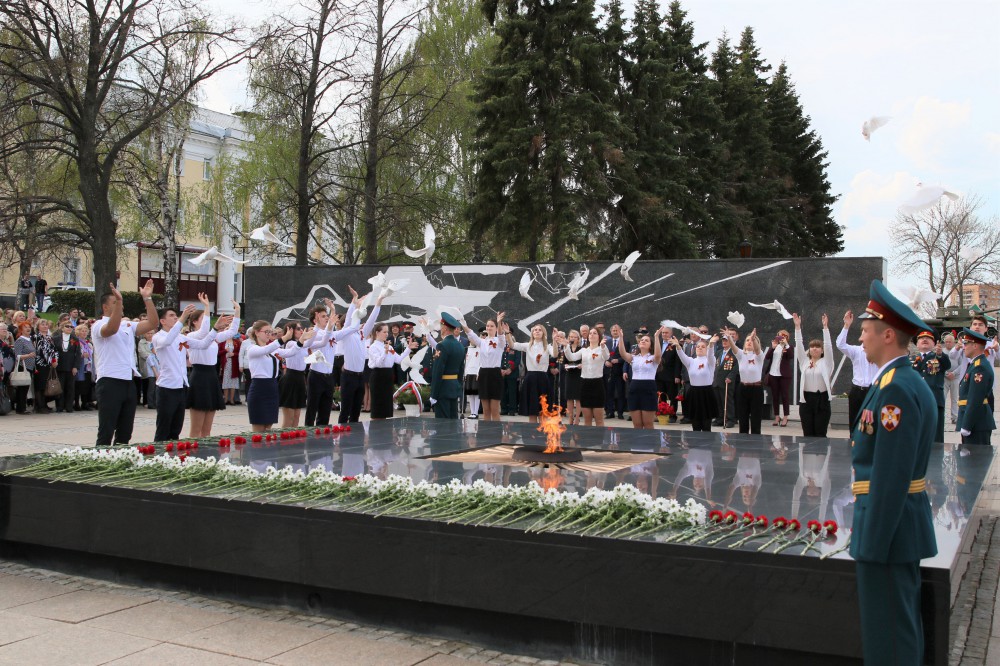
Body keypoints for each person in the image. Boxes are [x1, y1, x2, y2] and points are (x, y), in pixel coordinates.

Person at [851, 279, 937, 665]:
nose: (861, 339)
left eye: (866, 331)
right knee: (897, 628)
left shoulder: (897, 389)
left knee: (889, 635)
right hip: (897, 527)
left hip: (888, 531)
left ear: (888, 335)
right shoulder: (896, 381)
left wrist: (873, 543)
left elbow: (891, 474)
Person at [91, 280, 159, 447]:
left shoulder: (127, 325)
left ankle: (119, 460)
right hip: (109, 381)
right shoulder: (98, 325)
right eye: (115, 302)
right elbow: (111, 330)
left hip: (128, 381)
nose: (120, 305)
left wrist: (147, 299)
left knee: (125, 431)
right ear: (105, 307)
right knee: (107, 429)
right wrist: (120, 299)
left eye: (120, 302)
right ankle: (101, 461)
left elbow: (153, 323)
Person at [152, 304, 218, 442]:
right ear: (162, 321)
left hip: (181, 386)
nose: (175, 317)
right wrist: (182, 318)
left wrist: (215, 329)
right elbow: (168, 341)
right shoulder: (158, 337)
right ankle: (158, 457)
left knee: (176, 428)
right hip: (166, 387)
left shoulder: (181, 338)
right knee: (164, 428)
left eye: (176, 315)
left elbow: (203, 343)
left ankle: (173, 456)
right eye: (171, 316)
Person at [184, 296, 239, 438]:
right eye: (203, 319)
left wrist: (237, 311)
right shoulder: (192, 336)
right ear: (195, 322)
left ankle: (206, 455)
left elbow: (232, 331)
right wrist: (207, 307)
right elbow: (203, 333)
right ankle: (193, 456)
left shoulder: (213, 336)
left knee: (207, 430)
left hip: (211, 376)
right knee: (196, 430)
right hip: (199, 376)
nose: (206, 323)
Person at [338, 288, 384, 424]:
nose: (360, 318)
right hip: (348, 376)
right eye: (357, 315)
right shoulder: (346, 333)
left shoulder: (362, 334)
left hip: (360, 376)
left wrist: (379, 302)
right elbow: (347, 322)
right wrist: (354, 303)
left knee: (356, 411)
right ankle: (341, 436)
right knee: (345, 409)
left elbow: (372, 319)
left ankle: (354, 439)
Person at [245, 321, 300, 431]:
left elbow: (291, 352)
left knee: (269, 426)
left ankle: (267, 448)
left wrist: (302, 340)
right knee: (259, 426)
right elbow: (265, 350)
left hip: (272, 387)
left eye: (270, 332)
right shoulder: (252, 349)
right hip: (259, 387)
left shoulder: (272, 348)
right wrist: (283, 338)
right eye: (266, 331)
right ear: (256, 333)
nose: (268, 334)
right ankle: (257, 447)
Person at [792, 313, 835, 437]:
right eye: (812, 347)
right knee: (808, 433)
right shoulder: (804, 362)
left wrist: (825, 328)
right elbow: (799, 345)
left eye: (817, 347)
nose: (814, 349)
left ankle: (822, 456)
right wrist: (797, 327)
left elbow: (828, 346)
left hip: (822, 400)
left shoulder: (827, 363)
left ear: (822, 350)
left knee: (820, 433)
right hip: (806, 400)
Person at [462, 313, 507, 422]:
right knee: (486, 410)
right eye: (487, 326)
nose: (489, 328)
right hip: (483, 374)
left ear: (496, 328)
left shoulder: (500, 342)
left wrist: (499, 322)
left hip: (495, 374)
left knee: (494, 410)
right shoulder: (482, 342)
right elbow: (471, 334)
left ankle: (496, 435)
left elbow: (501, 335)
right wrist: (462, 321)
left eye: (492, 326)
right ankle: (485, 436)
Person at [506, 322, 555, 423]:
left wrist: (554, 340)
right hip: (531, 378)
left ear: (543, 333)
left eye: (539, 330)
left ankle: (543, 434)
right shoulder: (527, 345)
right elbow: (512, 345)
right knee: (532, 410)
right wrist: (507, 333)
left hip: (543, 379)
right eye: (535, 330)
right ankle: (531, 434)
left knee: (543, 410)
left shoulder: (547, 346)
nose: (537, 331)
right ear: (532, 333)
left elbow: (555, 353)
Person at [837, 311, 878, 431]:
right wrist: (846, 325)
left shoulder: (879, 352)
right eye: (863, 332)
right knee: (854, 422)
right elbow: (840, 344)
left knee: (871, 423)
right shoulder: (856, 351)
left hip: (872, 390)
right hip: (857, 391)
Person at [617, 327, 664, 429]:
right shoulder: (634, 357)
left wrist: (656, 337)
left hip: (648, 389)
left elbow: (658, 355)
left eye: (646, 340)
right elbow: (622, 353)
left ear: (650, 345)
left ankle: (650, 444)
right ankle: (636, 445)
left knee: (648, 424)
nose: (643, 341)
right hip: (634, 389)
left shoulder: (653, 358)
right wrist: (620, 337)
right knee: (637, 424)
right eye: (642, 340)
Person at [670, 333, 717, 432]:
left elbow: (711, 355)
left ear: (707, 349)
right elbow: (682, 356)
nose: (700, 348)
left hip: (706, 393)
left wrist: (711, 345)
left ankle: (707, 444)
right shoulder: (691, 361)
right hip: (694, 393)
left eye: (703, 347)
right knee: (695, 424)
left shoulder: (709, 362)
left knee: (706, 425)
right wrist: (678, 346)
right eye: (698, 346)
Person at [956, 328, 995, 446]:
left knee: (976, 462)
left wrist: (967, 425)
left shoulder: (979, 367)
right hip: (974, 422)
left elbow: (975, 398)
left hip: (976, 424)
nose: (963, 347)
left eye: (966, 343)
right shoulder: (975, 364)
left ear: (975, 346)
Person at [562, 328, 609, 426]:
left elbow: (606, 357)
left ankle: (599, 441)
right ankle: (588, 441)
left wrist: (603, 346)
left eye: (594, 333)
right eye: (590, 333)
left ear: (599, 336)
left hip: (597, 384)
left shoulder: (602, 349)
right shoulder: (584, 350)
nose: (592, 335)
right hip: (584, 384)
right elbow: (571, 357)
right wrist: (566, 346)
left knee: (599, 420)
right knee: (587, 420)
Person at [367, 323, 414, 419]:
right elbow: (378, 363)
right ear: (377, 333)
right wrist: (385, 352)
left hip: (388, 375)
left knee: (386, 405)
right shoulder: (373, 347)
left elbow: (399, 359)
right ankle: (376, 428)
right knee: (378, 404)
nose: (386, 334)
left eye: (387, 332)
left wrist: (408, 349)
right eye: (384, 332)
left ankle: (384, 427)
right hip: (378, 376)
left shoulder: (390, 347)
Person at [724, 328, 766, 434]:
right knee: (743, 418)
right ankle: (743, 442)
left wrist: (754, 338)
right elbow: (734, 348)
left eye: (752, 340)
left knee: (756, 419)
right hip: (743, 388)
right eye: (747, 340)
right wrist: (729, 337)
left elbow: (757, 350)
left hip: (756, 389)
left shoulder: (759, 355)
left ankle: (756, 443)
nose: (749, 342)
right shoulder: (741, 354)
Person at [911, 331, 951, 443]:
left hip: (934, 401)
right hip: (916, 402)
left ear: (934, 343)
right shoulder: (912, 359)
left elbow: (947, 364)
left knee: (935, 438)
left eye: (928, 338)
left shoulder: (938, 357)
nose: (924, 340)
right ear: (916, 344)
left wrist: (940, 354)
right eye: (921, 338)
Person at [431, 312, 465, 418]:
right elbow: (461, 370)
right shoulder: (460, 346)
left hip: (442, 390)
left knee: (442, 425)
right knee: (453, 423)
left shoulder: (442, 346)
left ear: (445, 328)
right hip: (454, 388)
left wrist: (434, 394)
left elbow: (438, 371)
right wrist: (458, 386)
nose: (440, 329)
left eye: (441, 327)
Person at [764, 328, 793, 427]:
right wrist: (772, 347)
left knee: (785, 396)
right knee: (775, 396)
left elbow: (791, 356)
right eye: (780, 336)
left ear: (787, 338)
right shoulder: (775, 346)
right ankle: (777, 416)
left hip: (784, 375)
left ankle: (785, 417)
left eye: (784, 336)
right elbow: (767, 357)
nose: (781, 338)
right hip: (773, 374)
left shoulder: (789, 347)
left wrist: (786, 344)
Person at [711, 330, 739, 428]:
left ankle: (730, 419)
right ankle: (720, 418)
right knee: (718, 401)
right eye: (723, 340)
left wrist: (730, 377)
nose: (724, 342)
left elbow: (736, 366)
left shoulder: (734, 352)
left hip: (727, 381)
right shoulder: (719, 352)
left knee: (727, 401)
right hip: (717, 381)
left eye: (726, 340)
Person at [655, 327, 682, 422]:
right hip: (658, 375)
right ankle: (662, 414)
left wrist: (677, 375)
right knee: (660, 396)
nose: (664, 334)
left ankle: (672, 415)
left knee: (672, 396)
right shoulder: (658, 344)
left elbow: (678, 362)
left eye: (666, 333)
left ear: (671, 334)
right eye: (662, 333)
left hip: (671, 376)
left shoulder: (675, 344)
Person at [32, 319, 58, 413]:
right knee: (40, 385)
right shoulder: (36, 337)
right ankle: (40, 406)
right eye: (42, 324)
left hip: (49, 365)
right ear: (38, 326)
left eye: (46, 324)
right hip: (40, 364)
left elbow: (54, 350)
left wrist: (55, 360)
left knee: (46, 386)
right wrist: (51, 361)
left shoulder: (49, 337)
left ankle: (44, 404)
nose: (45, 326)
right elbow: (41, 351)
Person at [54, 319, 80, 412]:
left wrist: (75, 366)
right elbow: (53, 351)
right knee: (60, 387)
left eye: (71, 327)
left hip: (70, 367)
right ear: (62, 327)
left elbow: (78, 354)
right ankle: (59, 406)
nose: (69, 328)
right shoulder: (56, 338)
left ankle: (69, 406)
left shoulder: (75, 339)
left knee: (70, 388)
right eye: (67, 326)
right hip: (59, 366)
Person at [12, 322, 35, 414]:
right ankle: (20, 408)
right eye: (25, 327)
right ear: (21, 330)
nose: (28, 329)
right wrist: (28, 355)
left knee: (26, 388)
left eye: (29, 327)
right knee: (22, 388)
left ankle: (23, 407)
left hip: (30, 366)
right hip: (23, 366)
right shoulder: (20, 340)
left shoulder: (30, 339)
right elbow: (17, 356)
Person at [560, 329, 582, 424]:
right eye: (570, 337)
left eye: (574, 337)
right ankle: (570, 418)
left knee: (578, 397)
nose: (572, 338)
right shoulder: (565, 348)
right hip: (569, 375)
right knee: (569, 397)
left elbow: (584, 361)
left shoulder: (582, 349)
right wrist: (565, 366)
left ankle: (577, 418)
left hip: (578, 374)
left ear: (578, 339)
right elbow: (563, 361)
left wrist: (581, 365)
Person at [943, 333, 966, 425]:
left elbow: (962, 364)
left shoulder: (958, 351)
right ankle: (942, 416)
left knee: (954, 398)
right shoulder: (943, 352)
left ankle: (955, 417)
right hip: (944, 378)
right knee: (943, 398)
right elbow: (938, 365)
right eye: (946, 342)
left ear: (953, 342)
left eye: (950, 342)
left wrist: (954, 373)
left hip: (955, 378)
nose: (948, 343)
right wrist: (946, 373)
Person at [604, 324, 626, 419]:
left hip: (619, 371)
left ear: (620, 331)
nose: (615, 332)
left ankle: (620, 412)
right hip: (608, 372)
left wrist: (618, 360)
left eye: (617, 330)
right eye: (613, 330)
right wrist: (605, 361)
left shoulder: (625, 342)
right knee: (609, 392)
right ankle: (610, 412)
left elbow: (627, 356)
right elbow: (602, 355)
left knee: (620, 392)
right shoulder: (606, 342)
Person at [74, 323, 94, 410]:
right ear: (78, 332)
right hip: (80, 366)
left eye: (86, 331)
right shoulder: (76, 342)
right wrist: (81, 355)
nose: (85, 332)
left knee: (86, 386)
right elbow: (74, 354)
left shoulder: (88, 343)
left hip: (88, 367)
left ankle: (85, 403)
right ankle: (76, 403)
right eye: (82, 331)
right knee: (78, 385)